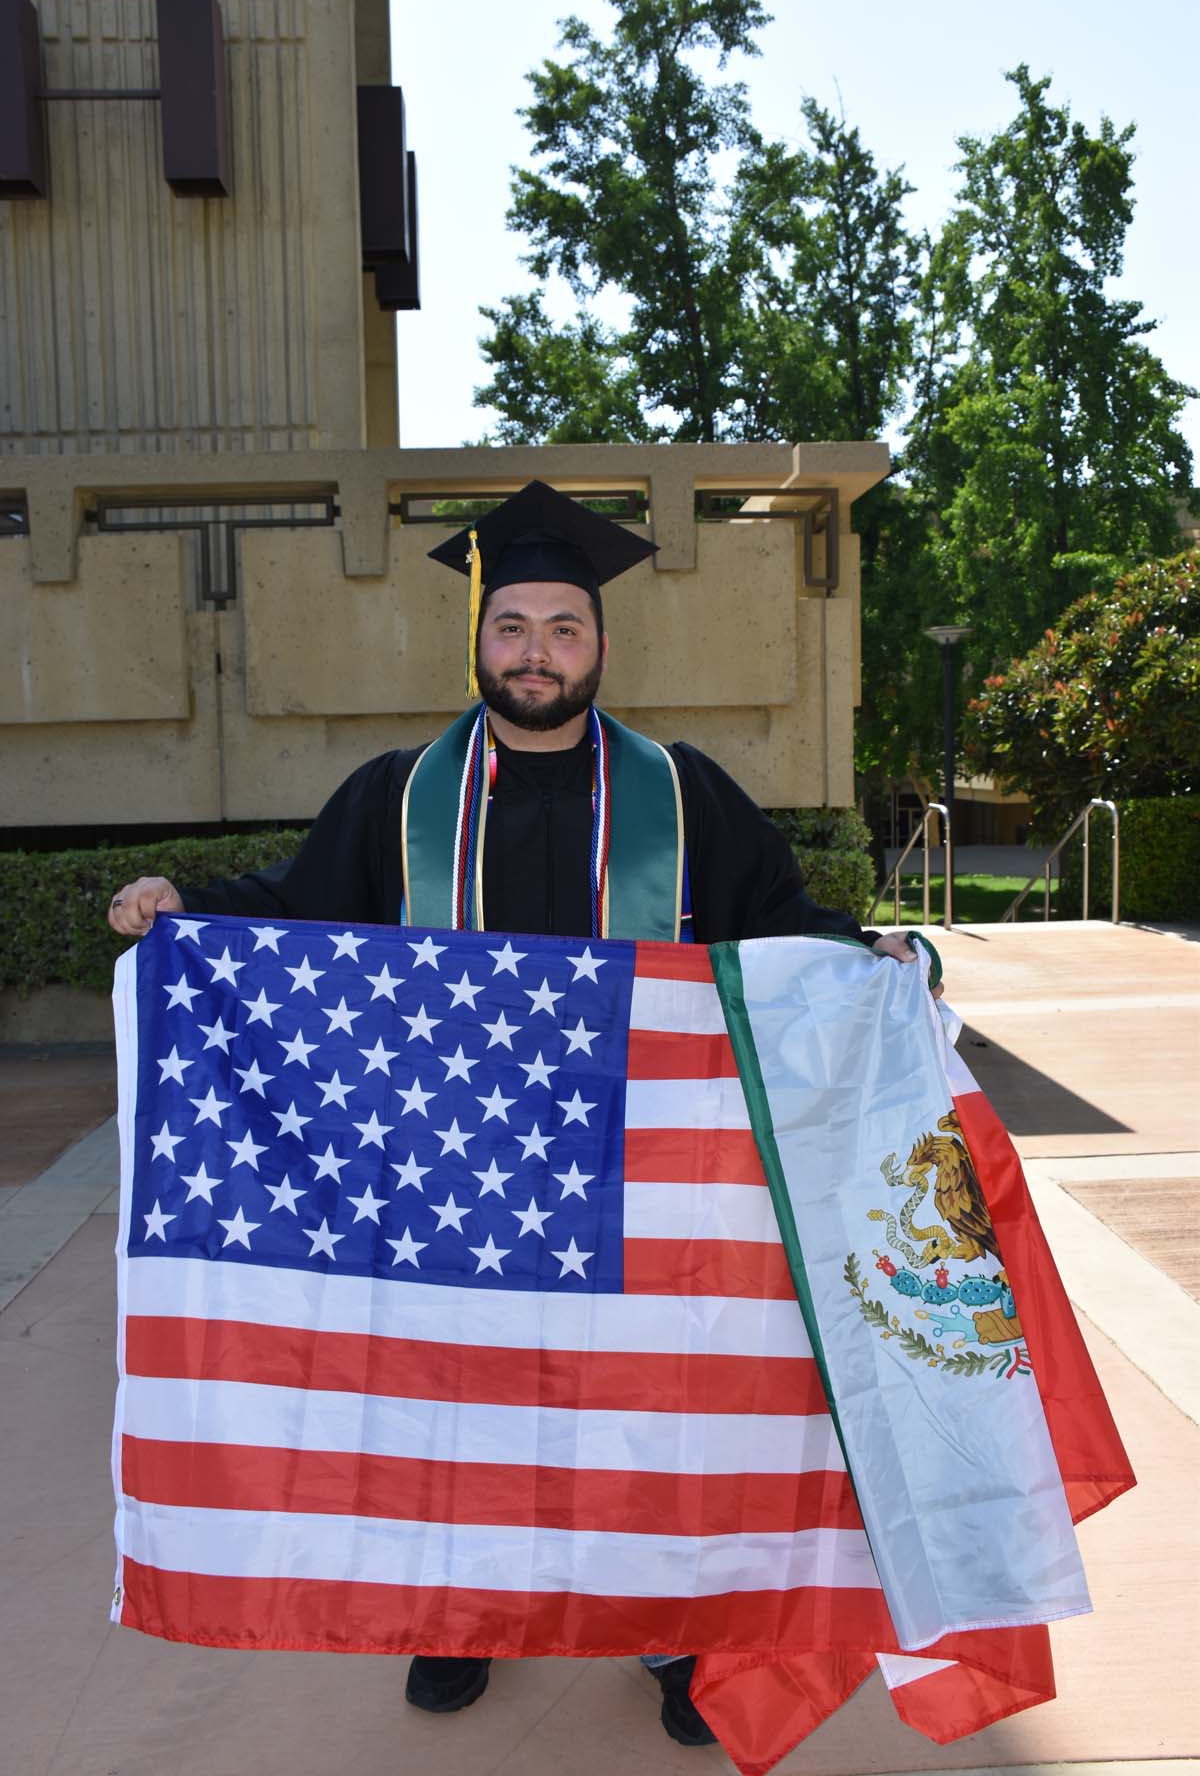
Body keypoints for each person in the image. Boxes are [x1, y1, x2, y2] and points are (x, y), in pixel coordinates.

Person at [108, 479, 933, 1747]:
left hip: (642, 1169)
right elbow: (292, 909)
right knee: (452, 1401)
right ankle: (457, 1615)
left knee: (649, 1415)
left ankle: (665, 1630)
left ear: (600, 644)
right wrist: (183, 911)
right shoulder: (397, 794)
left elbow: (777, 925)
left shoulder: (680, 790)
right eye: (512, 628)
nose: (535, 652)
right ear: (479, 641)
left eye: (561, 627)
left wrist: (860, 955)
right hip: (449, 1176)